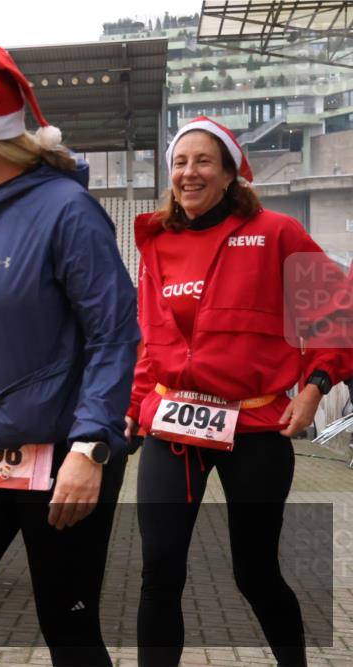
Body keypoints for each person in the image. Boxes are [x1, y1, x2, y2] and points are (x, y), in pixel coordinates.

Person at [0, 42, 140, 666]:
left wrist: (91, 448)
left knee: (67, 630)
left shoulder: (69, 213)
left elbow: (114, 335)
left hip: (67, 457)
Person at [127, 116, 352, 667]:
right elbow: (149, 341)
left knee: (255, 572)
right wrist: (134, 408)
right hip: (173, 425)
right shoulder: (157, 241)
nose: (189, 173)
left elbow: (335, 312)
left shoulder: (276, 233)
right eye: (180, 163)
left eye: (203, 161)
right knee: (159, 570)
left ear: (231, 172)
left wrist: (315, 387)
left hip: (255, 426)